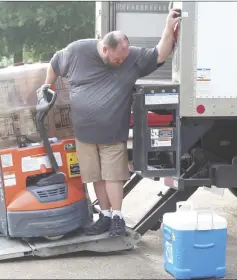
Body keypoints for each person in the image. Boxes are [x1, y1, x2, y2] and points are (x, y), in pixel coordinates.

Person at [38, 8, 181, 237]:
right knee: (95, 176)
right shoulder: (77, 51)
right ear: (105, 48)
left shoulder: (131, 57)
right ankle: (104, 215)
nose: (122, 61)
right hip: (84, 134)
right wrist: (48, 86)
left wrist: (168, 27)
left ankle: (117, 217)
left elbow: (160, 54)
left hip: (113, 133)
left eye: (124, 57)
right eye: (118, 58)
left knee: (113, 176)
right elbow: (55, 64)